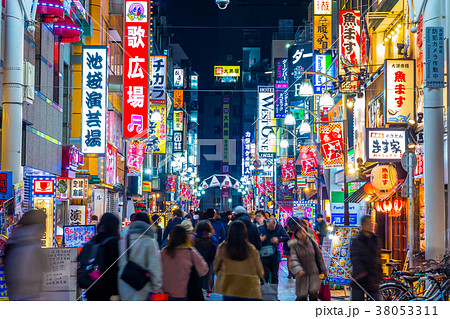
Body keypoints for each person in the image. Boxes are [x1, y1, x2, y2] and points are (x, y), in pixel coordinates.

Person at [214, 221, 264, 301]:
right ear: (245, 233)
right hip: (249, 288)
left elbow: (216, 267)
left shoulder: (223, 248)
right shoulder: (251, 249)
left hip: (229, 287)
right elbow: (260, 271)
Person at [118, 213, 163, 300]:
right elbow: (155, 267)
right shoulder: (150, 241)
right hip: (143, 288)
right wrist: (157, 287)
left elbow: (120, 264)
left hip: (124, 286)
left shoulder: (123, 240)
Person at [4, 210, 47, 300]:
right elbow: (25, 276)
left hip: (17, 295)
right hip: (27, 297)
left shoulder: (16, 239)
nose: (44, 231)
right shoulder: (31, 244)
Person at [161, 225, 208, 300]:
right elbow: (204, 269)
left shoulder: (164, 252)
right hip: (186, 293)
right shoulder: (191, 252)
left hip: (165, 294)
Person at [83, 213, 120, 300]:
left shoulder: (94, 240)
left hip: (92, 286)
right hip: (108, 289)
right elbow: (115, 269)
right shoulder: (114, 242)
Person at [289, 224, 327, 301]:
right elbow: (294, 259)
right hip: (302, 275)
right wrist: (298, 270)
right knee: (302, 297)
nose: (302, 234)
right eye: (299, 232)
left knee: (313, 295)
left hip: (313, 273)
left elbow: (319, 257)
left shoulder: (312, 242)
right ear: (296, 234)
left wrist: (324, 270)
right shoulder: (294, 245)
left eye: (303, 232)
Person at [350, 215, 382, 301]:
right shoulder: (357, 241)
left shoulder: (376, 240)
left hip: (373, 280)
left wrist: (379, 274)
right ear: (363, 226)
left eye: (371, 223)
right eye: (368, 223)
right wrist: (363, 273)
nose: (371, 225)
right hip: (360, 279)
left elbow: (378, 258)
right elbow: (355, 259)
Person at [258, 218, 289, 285]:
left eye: (273, 228)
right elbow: (255, 240)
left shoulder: (279, 227)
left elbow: (287, 237)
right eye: (269, 227)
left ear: (275, 224)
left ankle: (274, 292)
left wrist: (278, 239)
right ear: (266, 224)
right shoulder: (261, 228)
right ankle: (264, 292)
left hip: (275, 254)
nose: (271, 229)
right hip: (264, 254)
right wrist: (260, 239)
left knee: (274, 276)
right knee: (264, 275)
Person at [194, 220, 218, 296]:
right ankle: (207, 290)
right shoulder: (213, 240)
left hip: (196, 265)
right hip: (209, 263)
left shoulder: (193, 240)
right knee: (208, 276)